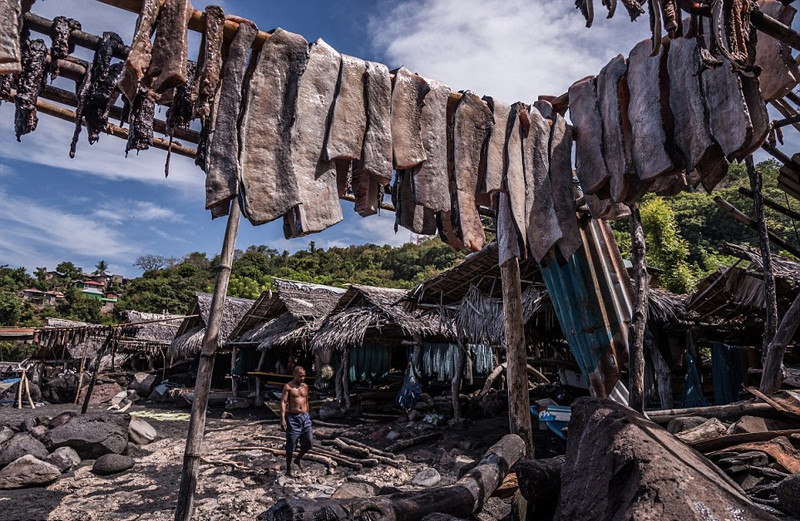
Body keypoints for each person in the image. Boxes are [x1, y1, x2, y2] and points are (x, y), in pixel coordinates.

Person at [280, 365, 312, 476]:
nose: (302, 378)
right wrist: (283, 419)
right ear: (294, 375)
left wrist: (308, 413)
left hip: (305, 417)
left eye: (304, 376)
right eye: (300, 376)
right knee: (291, 444)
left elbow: (306, 401)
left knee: (309, 442)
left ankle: (298, 459)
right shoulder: (288, 387)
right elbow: (283, 402)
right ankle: (288, 470)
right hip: (293, 418)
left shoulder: (305, 386)